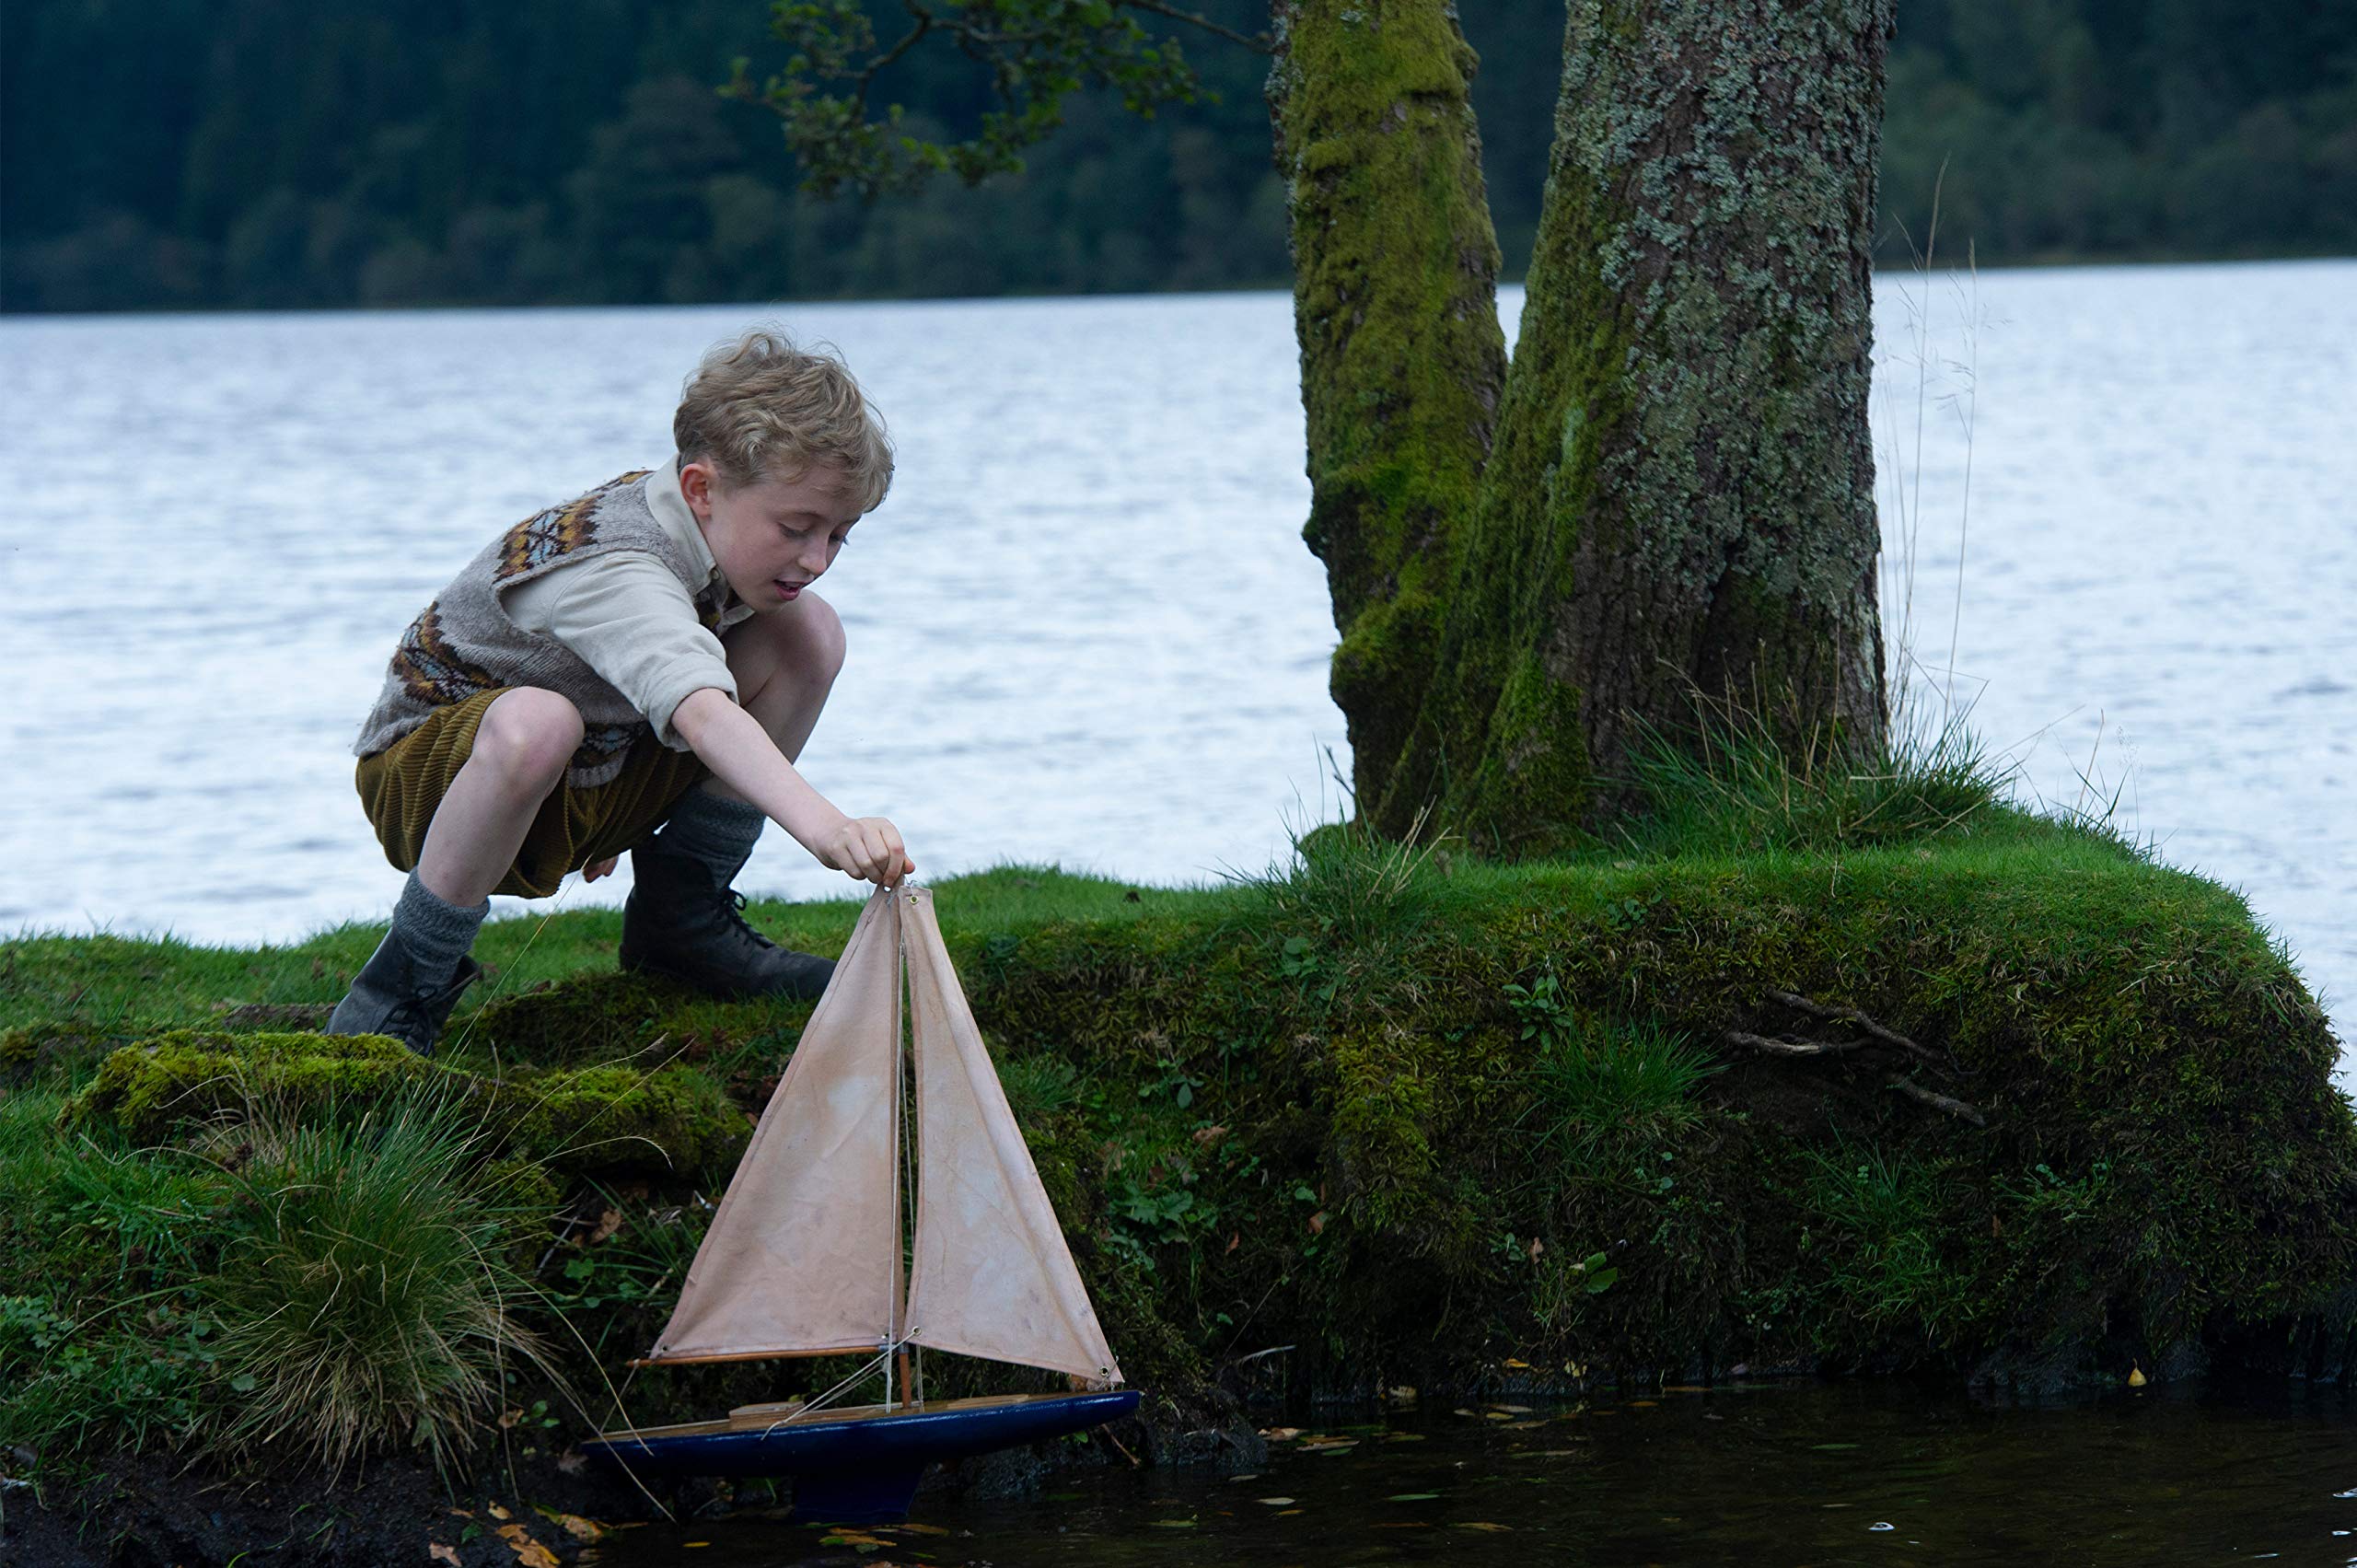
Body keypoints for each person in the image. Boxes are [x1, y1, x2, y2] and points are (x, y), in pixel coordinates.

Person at [328, 327, 911, 1056]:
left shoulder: (718, 534)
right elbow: (702, 712)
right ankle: (400, 987)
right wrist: (828, 829)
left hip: (592, 763)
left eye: (838, 535)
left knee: (809, 633)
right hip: (431, 781)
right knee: (538, 722)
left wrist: (615, 811)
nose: (817, 558)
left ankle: (682, 926)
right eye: (797, 528)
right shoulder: (618, 560)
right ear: (701, 488)